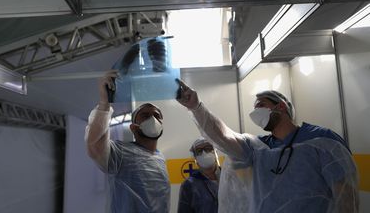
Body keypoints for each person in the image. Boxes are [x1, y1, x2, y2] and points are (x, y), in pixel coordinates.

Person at [175, 78, 359, 213]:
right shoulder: (258, 148)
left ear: (280, 107)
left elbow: (345, 196)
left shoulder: (323, 140)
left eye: (261, 105)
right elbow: (222, 136)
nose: (256, 112)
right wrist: (196, 107)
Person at [84, 70, 170, 213]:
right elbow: (94, 144)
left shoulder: (160, 158)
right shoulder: (120, 153)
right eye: (145, 115)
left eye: (156, 115)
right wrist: (104, 102)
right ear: (133, 128)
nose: (153, 119)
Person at [178, 138, 220, 213]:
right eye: (199, 151)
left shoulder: (228, 178)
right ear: (195, 157)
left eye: (208, 148)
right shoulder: (189, 185)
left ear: (215, 151)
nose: (204, 153)